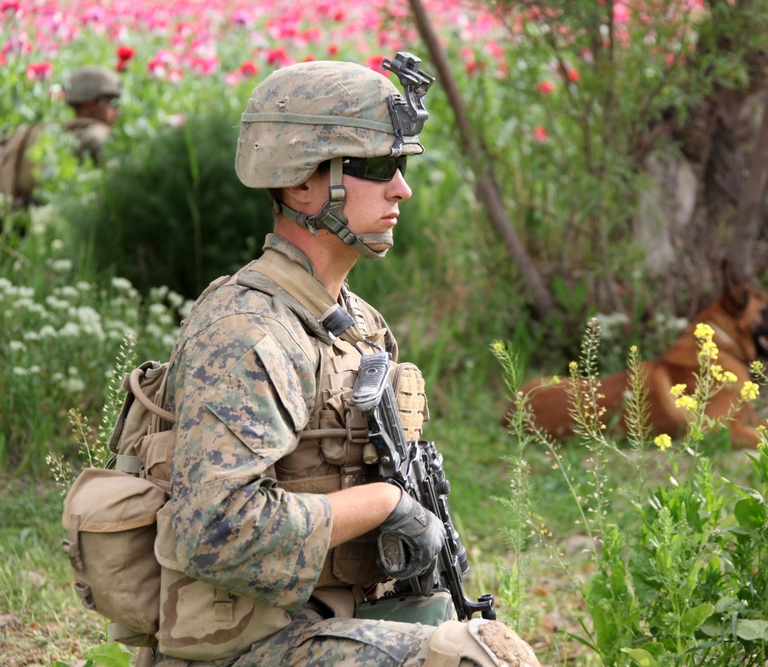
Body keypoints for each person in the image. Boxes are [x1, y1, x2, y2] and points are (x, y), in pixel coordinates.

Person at [150, 54, 541, 666]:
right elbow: (213, 529)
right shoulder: (248, 333)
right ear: (302, 182)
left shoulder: (355, 323)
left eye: (402, 165)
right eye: (378, 166)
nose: (402, 188)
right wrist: (385, 504)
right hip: (246, 644)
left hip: (336, 618)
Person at [0, 65, 120, 210]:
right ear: (90, 103)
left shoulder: (43, 132)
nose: (117, 111)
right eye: (112, 103)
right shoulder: (98, 135)